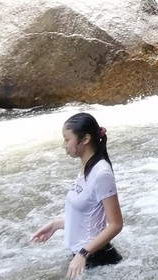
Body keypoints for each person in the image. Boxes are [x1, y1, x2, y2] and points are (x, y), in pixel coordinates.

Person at [32, 113, 124, 277]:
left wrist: (83, 253)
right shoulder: (87, 168)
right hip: (86, 260)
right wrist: (56, 224)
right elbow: (89, 215)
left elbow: (116, 224)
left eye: (67, 139)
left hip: (99, 262)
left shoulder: (101, 173)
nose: (64, 145)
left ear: (85, 139)